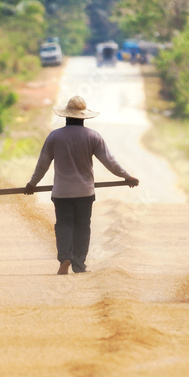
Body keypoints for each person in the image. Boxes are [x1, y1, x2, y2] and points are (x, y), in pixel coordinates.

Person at [25, 96, 138, 274]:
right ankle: (79, 264)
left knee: (63, 225)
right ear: (84, 117)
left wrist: (32, 184)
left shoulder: (55, 137)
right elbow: (110, 162)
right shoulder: (93, 137)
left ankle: (65, 257)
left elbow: (42, 165)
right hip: (85, 192)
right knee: (82, 227)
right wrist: (127, 177)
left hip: (62, 193)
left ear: (65, 116)